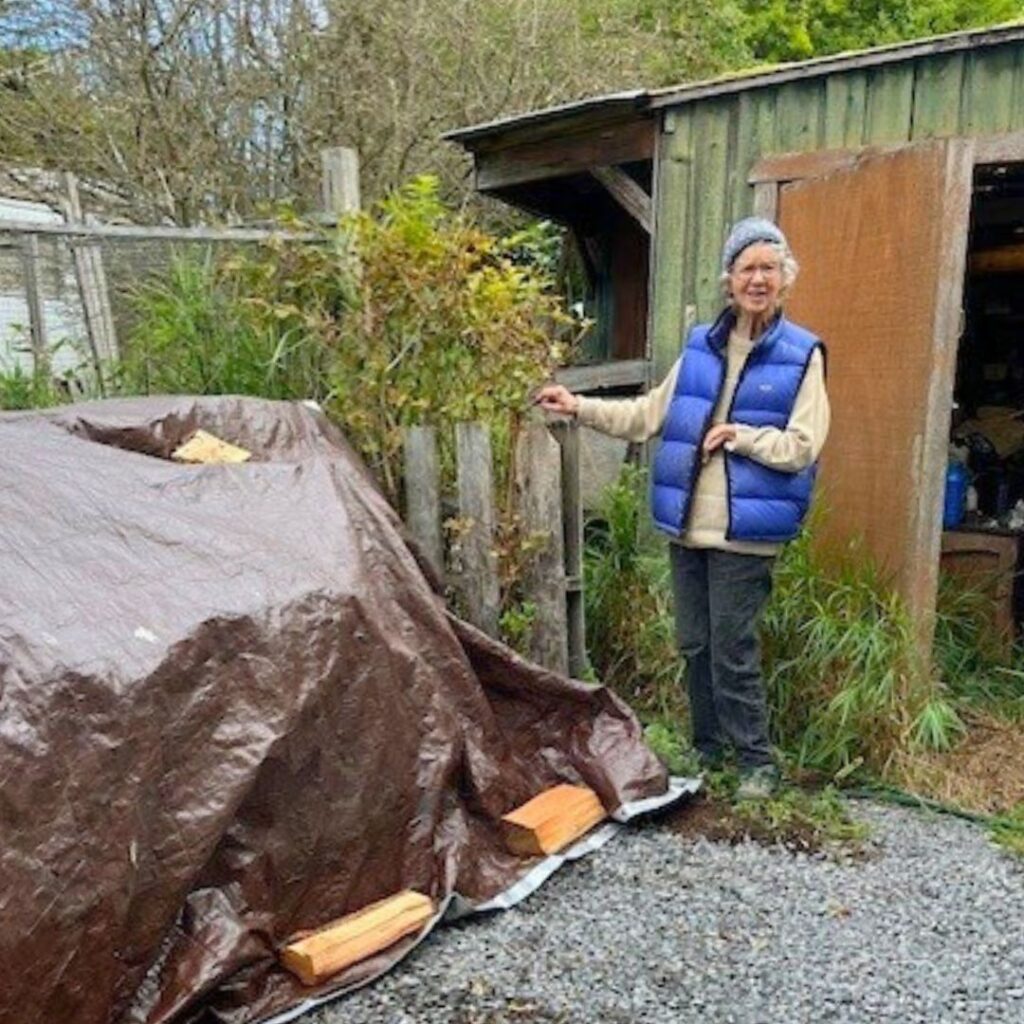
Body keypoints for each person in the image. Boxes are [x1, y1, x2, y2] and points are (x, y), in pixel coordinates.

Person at [536, 217, 830, 800]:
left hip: (746, 534)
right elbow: (648, 414)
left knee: (732, 648)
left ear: (785, 277)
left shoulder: (802, 354)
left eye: (770, 267)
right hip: (690, 527)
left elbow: (802, 446)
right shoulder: (701, 346)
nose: (759, 279)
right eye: (748, 268)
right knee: (695, 642)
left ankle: (756, 762)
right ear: (730, 279)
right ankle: (709, 749)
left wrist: (740, 436)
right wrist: (579, 405)